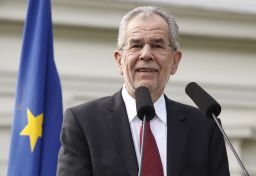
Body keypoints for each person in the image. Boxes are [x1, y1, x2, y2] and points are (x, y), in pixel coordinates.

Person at [57, 6, 230, 176]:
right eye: (136, 45)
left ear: (175, 61)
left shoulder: (205, 126)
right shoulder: (84, 122)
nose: (146, 54)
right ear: (119, 61)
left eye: (157, 45)